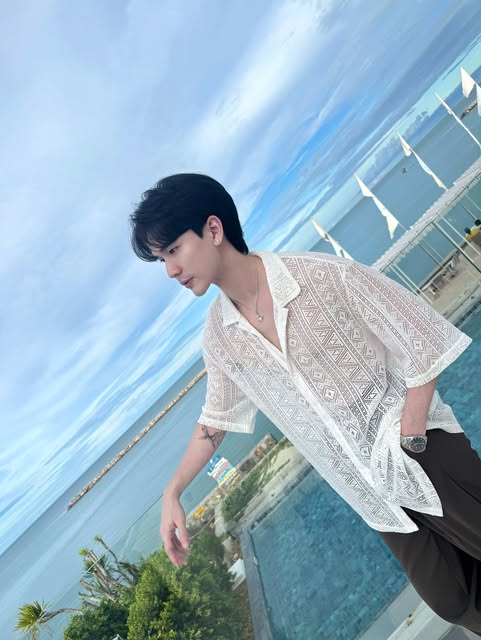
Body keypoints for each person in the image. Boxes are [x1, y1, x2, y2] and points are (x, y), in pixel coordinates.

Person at [130, 174, 481, 635]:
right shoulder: (220, 339)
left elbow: (419, 333)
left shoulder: (318, 275)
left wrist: (411, 435)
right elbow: (215, 421)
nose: (170, 271)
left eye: (173, 250)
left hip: (422, 455)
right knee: (452, 599)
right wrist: (172, 492)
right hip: (368, 492)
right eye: (161, 259)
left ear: (213, 229)